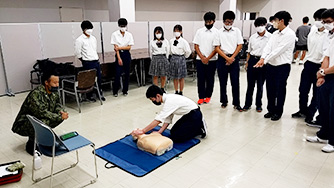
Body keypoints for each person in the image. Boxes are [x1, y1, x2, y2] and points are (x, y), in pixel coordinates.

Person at [12, 73, 69, 155]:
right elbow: (41, 113)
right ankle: (31, 144)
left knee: (53, 119)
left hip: (39, 118)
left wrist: (61, 112)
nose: (57, 85)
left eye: (58, 82)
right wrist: (59, 117)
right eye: (54, 83)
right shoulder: (36, 94)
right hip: (23, 123)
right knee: (43, 122)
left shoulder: (54, 92)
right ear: (46, 83)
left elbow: (57, 104)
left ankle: (43, 139)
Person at [254, 11, 295, 121]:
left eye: (275, 20)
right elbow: (268, 47)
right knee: (270, 89)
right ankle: (270, 109)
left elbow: (278, 50)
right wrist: (263, 58)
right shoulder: (275, 33)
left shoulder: (290, 35)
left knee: (280, 90)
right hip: (271, 65)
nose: (273, 23)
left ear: (281, 21)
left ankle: (278, 111)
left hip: (282, 66)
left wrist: (264, 60)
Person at [291, 8, 328, 128]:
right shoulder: (312, 30)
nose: (318, 22)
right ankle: (303, 110)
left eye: (320, 20)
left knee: (316, 93)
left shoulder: (329, 34)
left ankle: (310, 114)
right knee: (303, 89)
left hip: (320, 65)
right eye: (316, 19)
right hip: (309, 63)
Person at [131, 85, 207, 142]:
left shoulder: (169, 101)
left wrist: (143, 131)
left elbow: (158, 120)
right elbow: (168, 118)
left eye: (152, 99)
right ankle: (195, 127)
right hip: (188, 115)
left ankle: (199, 129)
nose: (152, 101)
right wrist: (160, 132)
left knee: (177, 137)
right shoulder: (167, 100)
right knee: (173, 132)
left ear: (158, 96)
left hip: (195, 115)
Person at [306, 8, 334, 153]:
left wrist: (324, 71)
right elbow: (326, 57)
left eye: (329, 22)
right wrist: (322, 75)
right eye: (325, 22)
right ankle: (323, 135)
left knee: (333, 109)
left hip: (332, 74)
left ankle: (333, 141)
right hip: (327, 75)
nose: (326, 25)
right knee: (324, 107)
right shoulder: (330, 37)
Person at [214, 10, 244, 111]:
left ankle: (237, 103)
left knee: (235, 82)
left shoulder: (237, 31)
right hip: (223, 58)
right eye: (227, 22)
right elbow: (217, 48)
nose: (229, 24)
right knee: (223, 82)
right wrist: (227, 58)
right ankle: (224, 101)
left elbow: (240, 45)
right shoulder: (218, 32)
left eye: (231, 22)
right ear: (223, 21)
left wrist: (232, 58)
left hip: (234, 58)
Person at [243, 17, 271, 112]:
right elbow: (249, 52)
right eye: (258, 25)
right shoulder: (252, 37)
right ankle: (247, 104)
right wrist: (247, 63)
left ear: (266, 25)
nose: (260, 27)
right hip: (252, 61)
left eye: (262, 25)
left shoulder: (270, 37)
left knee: (260, 85)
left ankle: (258, 104)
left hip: (263, 62)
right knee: (250, 85)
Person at [75, 20, 105, 101]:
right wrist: (84, 60)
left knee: (98, 78)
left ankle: (99, 93)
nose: (90, 30)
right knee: (89, 79)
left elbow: (94, 49)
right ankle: (89, 95)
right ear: (83, 29)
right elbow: (78, 53)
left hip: (96, 60)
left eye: (91, 28)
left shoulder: (93, 38)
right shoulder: (79, 40)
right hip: (87, 62)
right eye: (88, 28)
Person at [193, 11, 219, 105]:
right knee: (200, 79)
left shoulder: (217, 32)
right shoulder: (199, 31)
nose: (208, 23)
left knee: (210, 79)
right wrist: (202, 57)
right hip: (200, 59)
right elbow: (196, 46)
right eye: (206, 22)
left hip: (212, 60)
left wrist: (207, 58)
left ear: (214, 21)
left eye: (210, 22)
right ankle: (201, 97)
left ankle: (208, 96)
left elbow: (217, 48)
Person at [111, 18, 134, 97]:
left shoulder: (129, 35)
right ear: (119, 26)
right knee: (117, 74)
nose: (123, 27)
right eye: (121, 26)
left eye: (124, 26)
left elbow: (129, 47)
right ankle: (115, 91)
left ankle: (125, 90)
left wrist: (120, 48)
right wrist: (119, 58)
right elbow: (115, 48)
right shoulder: (114, 34)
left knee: (127, 74)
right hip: (119, 55)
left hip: (127, 55)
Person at [169, 24, 192, 96]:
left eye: (178, 31)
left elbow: (188, 51)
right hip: (173, 58)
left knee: (181, 77)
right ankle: (176, 90)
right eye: (175, 31)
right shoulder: (171, 41)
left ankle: (181, 91)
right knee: (174, 76)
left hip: (181, 58)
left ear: (181, 32)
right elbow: (169, 50)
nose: (176, 32)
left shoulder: (184, 41)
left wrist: (184, 57)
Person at [149, 26, 170, 93]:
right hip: (155, 58)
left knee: (163, 75)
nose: (158, 34)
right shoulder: (152, 41)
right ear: (154, 33)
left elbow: (168, 51)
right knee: (155, 75)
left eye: (159, 32)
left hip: (163, 57)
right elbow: (150, 51)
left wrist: (165, 58)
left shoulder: (165, 41)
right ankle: (156, 89)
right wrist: (153, 59)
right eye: (157, 32)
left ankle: (162, 88)